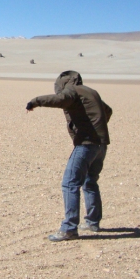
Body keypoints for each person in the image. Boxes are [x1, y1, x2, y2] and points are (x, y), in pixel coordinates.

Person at [26, 70, 112, 242]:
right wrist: (97, 126)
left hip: (87, 144)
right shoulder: (90, 91)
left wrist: (35, 101)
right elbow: (108, 110)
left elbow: (60, 100)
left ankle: (69, 228)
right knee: (89, 181)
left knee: (69, 183)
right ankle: (92, 222)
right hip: (101, 144)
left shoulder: (72, 91)